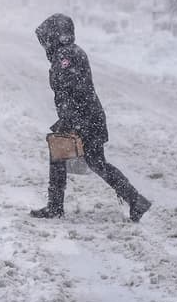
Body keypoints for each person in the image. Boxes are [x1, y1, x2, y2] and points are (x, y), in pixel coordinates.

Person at [31, 13, 151, 222]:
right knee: (94, 162)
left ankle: (55, 207)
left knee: (67, 157)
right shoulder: (69, 52)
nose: (45, 44)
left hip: (83, 119)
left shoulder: (66, 57)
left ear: (55, 35)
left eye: (47, 38)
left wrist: (71, 122)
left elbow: (71, 90)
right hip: (86, 117)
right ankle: (135, 200)